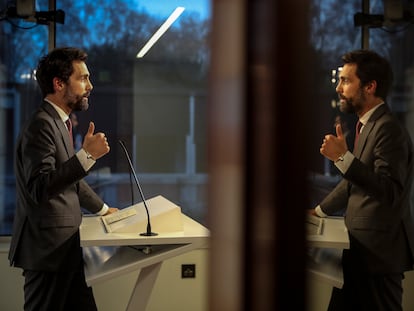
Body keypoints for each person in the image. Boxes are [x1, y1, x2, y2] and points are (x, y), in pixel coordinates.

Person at [8, 47, 118, 311]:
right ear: (59, 83)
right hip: (48, 253)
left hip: (66, 250)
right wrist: (86, 156)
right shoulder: (41, 125)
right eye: (82, 79)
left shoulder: (61, 123)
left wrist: (105, 210)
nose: (89, 85)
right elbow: (40, 186)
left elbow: (70, 181)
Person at [311, 49, 414, 310]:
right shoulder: (367, 125)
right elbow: (353, 182)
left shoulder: (387, 128)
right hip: (359, 252)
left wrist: (343, 158)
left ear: (369, 86)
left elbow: (389, 189)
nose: (338, 88)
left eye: (346, 81)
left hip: (378, 256)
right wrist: (319, 211)